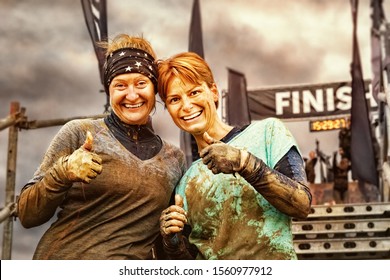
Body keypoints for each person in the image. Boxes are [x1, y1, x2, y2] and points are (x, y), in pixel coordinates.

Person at [16, 34, 186, 259]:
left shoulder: (175, 159)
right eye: (120, 85)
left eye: (141, 83)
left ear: (154, 88)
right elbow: (27, 215)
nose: (132, 94)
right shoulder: (79, 132)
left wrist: (171, 239)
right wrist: (63, 172)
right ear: (109, 90)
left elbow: (167, 249)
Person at [156, 52, 312, 260]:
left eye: (194, 92)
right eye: (175, 99)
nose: (186, 106)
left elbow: (302, 204)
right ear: (169, 109)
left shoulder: (268, 133)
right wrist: (172, 243)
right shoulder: (185, 181)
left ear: (213, 92)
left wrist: (244, 162)